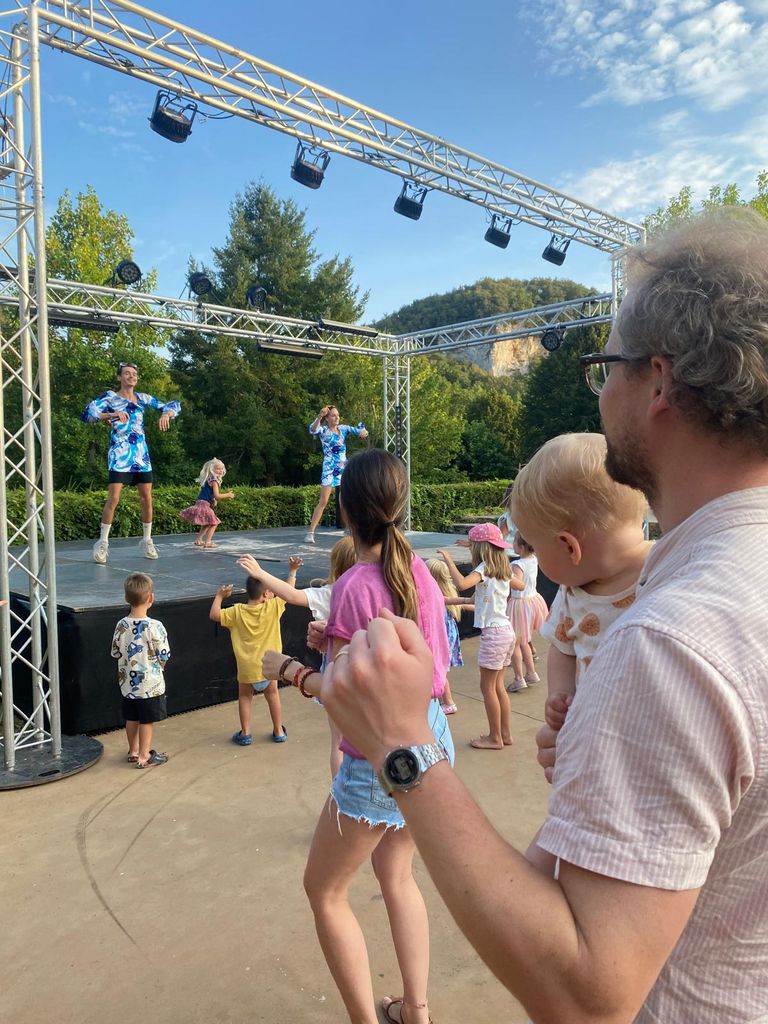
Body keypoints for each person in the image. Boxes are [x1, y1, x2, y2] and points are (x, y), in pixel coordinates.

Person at [318, 210, 768, 1023]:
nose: (599, 393)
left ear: (659, 383)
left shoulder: (672, 639)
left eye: (608, 369)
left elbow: (586, 992)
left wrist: (402, 746)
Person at [262, 447, 453, 1024]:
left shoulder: (352, 586)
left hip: (378, 759)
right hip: (430, 739)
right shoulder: (419, 572)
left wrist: (292, 670)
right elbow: (427, 670)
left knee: (324, 890)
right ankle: (415, 1011)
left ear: (345, 509)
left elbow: (345, 695)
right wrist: (335, 645)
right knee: (398, 876)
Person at [508, 432, 649, 767]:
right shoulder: (572, 595)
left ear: (569, 547)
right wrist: (560, 694)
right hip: (595, 734)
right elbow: (562, 648)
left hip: (639, 741)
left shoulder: (664, 572)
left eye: (537, 548)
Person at [237, 536, 356, 776]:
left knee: (339, 742)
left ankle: (340, 797)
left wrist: (260, 573)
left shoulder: (333, 592)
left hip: (337, 676)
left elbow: (291, 595)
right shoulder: (376, 591)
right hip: (368, 675)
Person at [83, 361, 180, 563]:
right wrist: (111, 414)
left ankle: (146, 539)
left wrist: (165, 414)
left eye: (134, 374)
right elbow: (88, 414)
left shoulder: (142, 398)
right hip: (120, 454)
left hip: (141, 455)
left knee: (146, 498)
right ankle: (102, 543)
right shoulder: (111, 397)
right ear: (119, 377)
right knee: (114, 498)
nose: (131, 376)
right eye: (127, 373)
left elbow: (173, 405)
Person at [438, 523, 523, 750]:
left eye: (472, 547)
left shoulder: (484, 568)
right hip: (506, 631)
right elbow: (518, 585)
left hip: (494, 635)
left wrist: (448, 559)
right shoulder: (502, 568)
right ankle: (505, 734)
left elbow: (462, 583)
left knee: (488, 689)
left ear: (481, 549)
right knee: (498, 687)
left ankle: (494, 738)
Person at [209, 571, 290, 744]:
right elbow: (289, 592)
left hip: (247, 668)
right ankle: (278, 731)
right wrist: (293, 571)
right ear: (266, 594)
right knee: (273, 694)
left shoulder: (237, 612)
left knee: (245, 697)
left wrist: (219, 596)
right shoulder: (273, 607)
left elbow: (214, 615)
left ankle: (245, 734)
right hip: (270, 666)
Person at [111, 572, 170, 769]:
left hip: (127, 683)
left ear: (126, 598)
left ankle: (133, 750)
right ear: (151, 598)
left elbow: (115, 652)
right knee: (147, 720)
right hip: (150, 685)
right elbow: (164, 653)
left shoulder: (121, 625)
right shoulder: (156, 626)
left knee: (132, 717)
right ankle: (145, 756)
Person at [304, 404, 368, 544]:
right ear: (327, 418)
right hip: (329, 469)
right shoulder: (324, 431)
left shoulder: (343, 429)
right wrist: (319, 416)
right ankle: (310, 532)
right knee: (323, 501)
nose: (337, 417)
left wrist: (363, 431)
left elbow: (360, 431)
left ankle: (349, 529)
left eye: (338, 415)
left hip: (343, 469)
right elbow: (312, 429)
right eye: (333, 415)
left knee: (344, 500)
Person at [425, 557, 472, 715]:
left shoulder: (436, 593)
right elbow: (456, 603)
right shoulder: (448, 588)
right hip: (448, 633)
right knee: (439, 668)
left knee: (438, 668)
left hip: (441, 634)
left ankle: (449, 701)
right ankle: (442, 698)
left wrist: (468, 601)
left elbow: (448, 601)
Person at [504, 533, 549, 694]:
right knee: (524, 641)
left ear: (521, 547)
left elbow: (518, 585)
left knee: (515, 642)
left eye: (514, 542)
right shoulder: (534, 559)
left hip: (520, 603)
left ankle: (519, 678)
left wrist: (505, 574)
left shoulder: (517, 564)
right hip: (532, 600)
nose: (512, 545)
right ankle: (531, 673)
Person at [179, 458, 235, 548]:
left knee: (206, 523)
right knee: (214, 523)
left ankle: (198, 540)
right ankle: (208, 542)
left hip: (200, 503)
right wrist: (228, 495)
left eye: (221, 469)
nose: (220, 471)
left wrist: (213, 500)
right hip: (204, 504)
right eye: (218, 469)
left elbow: (209, 494)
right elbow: (217, 495)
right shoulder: (214, 481)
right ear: (212, 469)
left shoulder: (209, 479)